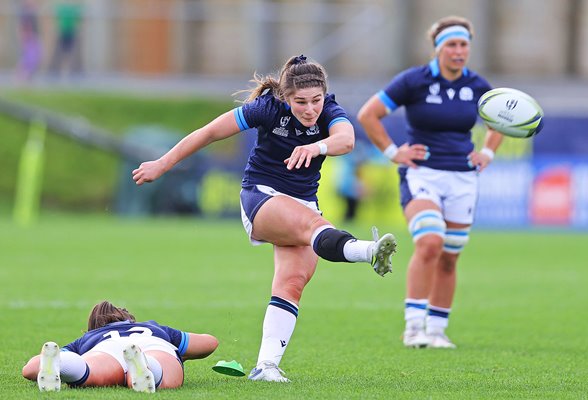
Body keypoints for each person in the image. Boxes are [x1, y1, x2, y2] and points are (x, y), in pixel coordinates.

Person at [132, 55, 397, 382]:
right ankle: (370, 252)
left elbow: (346, 139)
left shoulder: (329, 110)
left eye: (315, 101)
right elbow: (210, 132)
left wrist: (317, 148)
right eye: (300, 102)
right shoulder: (267, 109)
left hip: (303, 202)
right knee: (314, 227)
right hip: (262, 195)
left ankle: (266, 367)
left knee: (292, 284)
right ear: (286, 97)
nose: (310, 109)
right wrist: (162, 163)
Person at [357, 16, 504, 349]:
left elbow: (502, 120)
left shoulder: (478, 85)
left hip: (463, 179)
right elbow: (369, 114)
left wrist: (488, 153)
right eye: (451, 44)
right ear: (438, 48)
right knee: (429, 242)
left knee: (450, 255)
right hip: (422, 173)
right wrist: (394, 151)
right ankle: (413, 328)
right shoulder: (414, 80)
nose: (458, 51)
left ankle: (437, 330)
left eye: (463, 44)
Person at [22, 301, 219, 392]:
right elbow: (210, 342)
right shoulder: (153, 328)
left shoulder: (90, 337)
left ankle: (62, 364)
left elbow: (30, 369)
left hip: (106, 348)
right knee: (162, 371)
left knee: (88, 371)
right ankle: (147, 366)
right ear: (129, 319)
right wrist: (180, 352)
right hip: (153, 346)